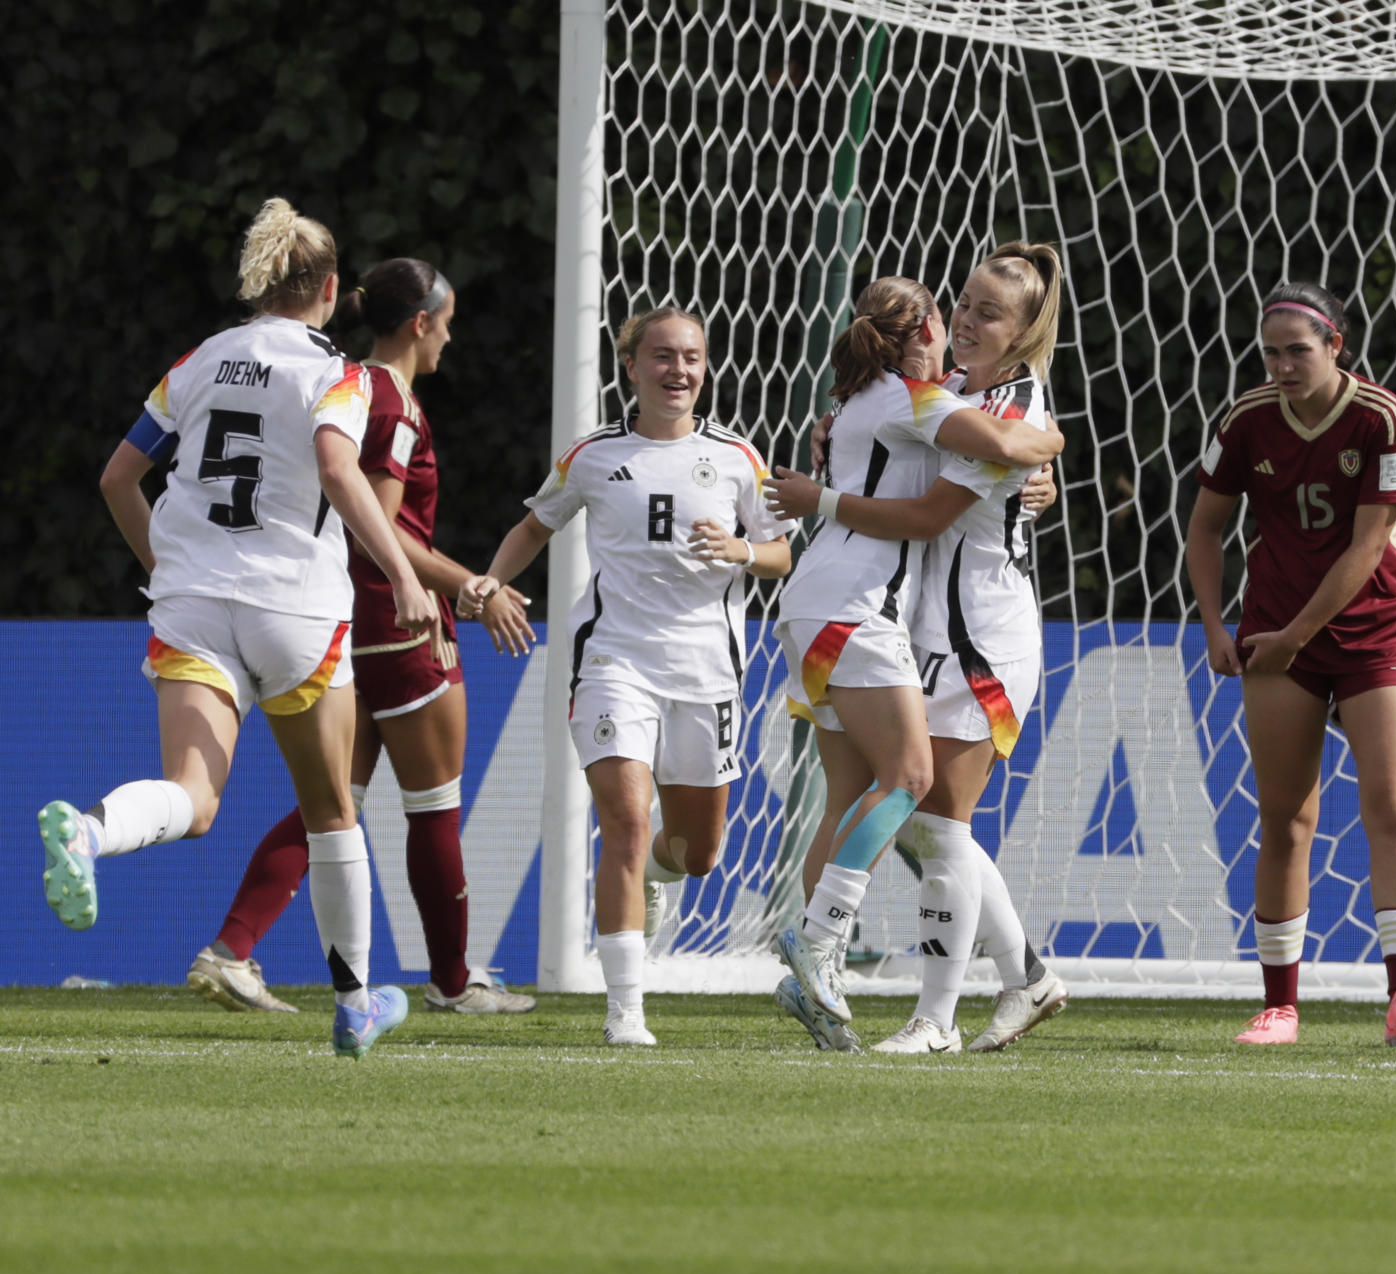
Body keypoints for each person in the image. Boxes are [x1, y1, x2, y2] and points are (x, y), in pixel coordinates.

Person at [48, 197, 432, 1057]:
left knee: (193, 795)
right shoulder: (340, 372)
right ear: (331, 289)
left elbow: (119, 478)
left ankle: (90, 831)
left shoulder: (200, 360)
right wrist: (402, 573)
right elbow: (337, 466)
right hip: (292, 602)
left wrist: (169, 573)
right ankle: (357, 1001)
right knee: (332, 808)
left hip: (191, 601)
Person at [186, 257, 539, 1017]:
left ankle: (232, 949)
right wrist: (468, 587)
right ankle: (452, 982)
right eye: (447, 322)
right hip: (397, 623)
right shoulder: (391, 402)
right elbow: (378, 522)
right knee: (434, 806)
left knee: (332, 805)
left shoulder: (350, 384)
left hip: (346, 619)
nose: (450, 337)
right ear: (421, 323)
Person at [765, 243, 1071, 1054]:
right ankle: (1026, 977)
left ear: (1026, 329)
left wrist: (1046, 447)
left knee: (940, 824)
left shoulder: (1002, 405)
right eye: (963, 303)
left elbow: (947, 501)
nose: (967, 320)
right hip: (912, 625)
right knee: (933, 825)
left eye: (987, 312)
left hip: (982, 638)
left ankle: (936, 1018)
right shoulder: (952, 394)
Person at [462, 306, 794, 1046]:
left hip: (707, 672)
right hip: (614, 659)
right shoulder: (591, 456)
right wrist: (489, 582)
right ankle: (625, 1013)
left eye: (693, 358)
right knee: (624, 821)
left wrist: (741, 552)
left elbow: (781, 553)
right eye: (664, 356)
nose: (679, 370)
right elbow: (533, 527)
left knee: (697, 854)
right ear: (632, 364)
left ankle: (657, 874)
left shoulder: (739, 457)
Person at [1184, 282, 1396, 1048]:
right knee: (1285, 818)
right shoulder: (1245, 418)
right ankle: (1279, 1007)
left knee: (1391, 807)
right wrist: (1213, 625)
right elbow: (1205, 530)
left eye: (1298, 349)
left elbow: (1371, 545)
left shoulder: (1381, 415)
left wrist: (1298, 632)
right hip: (1275, 634)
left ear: (1337, 347)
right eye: (1270, 351)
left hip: (1375, 627)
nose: (1282, 364)